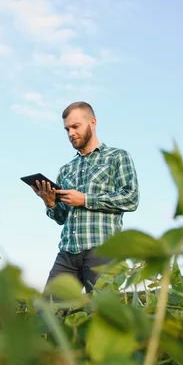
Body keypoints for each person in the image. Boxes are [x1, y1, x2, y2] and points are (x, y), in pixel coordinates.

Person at [32, 101, 139, 294]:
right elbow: (61, 218)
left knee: (102, 313)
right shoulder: (66, 169)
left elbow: (131, 198)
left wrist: (85, 200)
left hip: (103, 250)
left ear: (92, 122)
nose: (71, 133)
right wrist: (50, 203)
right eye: (67, 129)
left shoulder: (117, 157)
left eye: (75, 126)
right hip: (67, 253)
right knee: (47, 313)